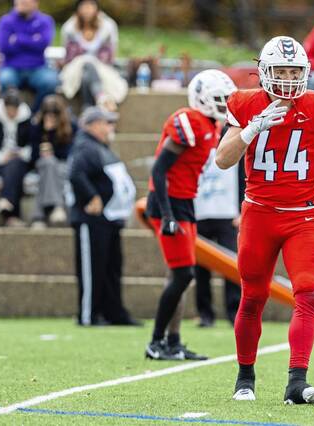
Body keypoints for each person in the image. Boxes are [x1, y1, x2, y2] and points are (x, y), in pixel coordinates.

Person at [216, 36, 314, 404]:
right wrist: (251, 128)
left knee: (309, 293)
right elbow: (222, 159)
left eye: (296, 71)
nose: (290, 78)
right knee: (253, 297)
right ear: (264, 72)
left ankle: (297, 382)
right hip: (259, 214)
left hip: (303, 217)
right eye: (282, 71)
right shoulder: (245, 104)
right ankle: (245, 377)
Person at [144, 70, 237, 361]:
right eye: (219, 100)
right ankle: (156, 342)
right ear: (201, 99)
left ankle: (172, 341)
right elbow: (159, 170)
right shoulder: (190, 121)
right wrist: (168, 214)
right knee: (183, 274)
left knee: (180, 275)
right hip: (168, 202)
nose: (224, 105)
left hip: (185, 202)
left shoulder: (210, 124)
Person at [67, 106, 138, 326]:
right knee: (93, 269)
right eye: (106, 123)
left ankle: (113, 312)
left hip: (110, 219)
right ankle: (89, 314)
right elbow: (75, 173)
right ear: (91, 125)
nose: (111, 127)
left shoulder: (99, 147)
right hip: (93, 220)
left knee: (111, 269)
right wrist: (91, 197)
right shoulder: (85, 146)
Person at [193, 148, 243, 327]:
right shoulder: (195, 143)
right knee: (200, 269)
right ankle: (205, 314)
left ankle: (234, 312)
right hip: (199, 213)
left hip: (227, 215)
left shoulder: (232, 141)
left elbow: (244, 176)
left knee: (231, 266)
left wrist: (241, 208)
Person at [60, 0, 127, 111]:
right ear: (78, 8)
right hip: (75, 70)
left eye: (90, 5)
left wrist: (92, 61)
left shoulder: (108, 26)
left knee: (88, 73)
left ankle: (88, 108)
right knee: (86, 62)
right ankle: (100, 98)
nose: (87, 10)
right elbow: (69, 57)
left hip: (102, 69)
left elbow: (110, 56)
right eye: (84, 6)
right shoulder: (69, 28)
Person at [0, 0, 59, 112]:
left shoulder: (45, 21)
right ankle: (16, 115)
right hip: (12, 67)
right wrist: (32, 40)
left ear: (35, 3)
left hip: (38, 67)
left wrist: (18, 39)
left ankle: (35, 115)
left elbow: (43, 44)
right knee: (6, 80)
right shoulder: (6, 21)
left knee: (51, 81)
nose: (21, 1)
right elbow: (3, 48)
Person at [0, 89, 33, 227]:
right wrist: (3, 157)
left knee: (15, 165)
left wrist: (19, 153)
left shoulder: (27, 120)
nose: (11, 113)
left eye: (14, 110)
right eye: (8, 110)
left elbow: (31, 148)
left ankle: (6, 203)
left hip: (20, 162)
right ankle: (12, 216)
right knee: (13, 169)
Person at [29, 95, 76, 228]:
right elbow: (32, 156)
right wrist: (44, 135)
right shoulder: (36, 127)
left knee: (52, 170)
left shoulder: (71, 126)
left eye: (53, 117)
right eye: (47, 116)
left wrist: (52, 145)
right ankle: (58, 206)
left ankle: (38, 216)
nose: (50, 120)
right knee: (48, 164)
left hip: (63, 164)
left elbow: (69, 154)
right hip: (42, 164)